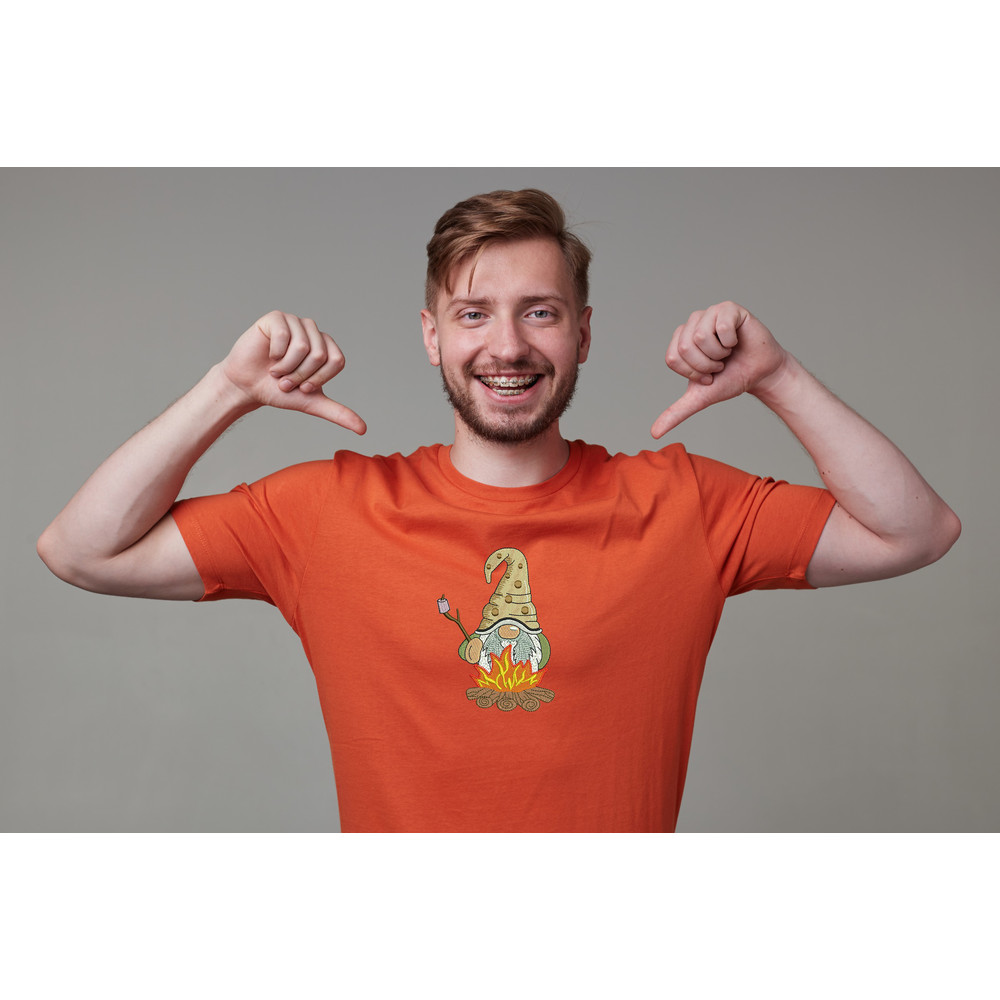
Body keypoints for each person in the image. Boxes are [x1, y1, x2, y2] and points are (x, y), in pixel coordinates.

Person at [36, 188, 961, 832]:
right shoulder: (329, 510)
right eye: (474, 314)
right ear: (432, 336)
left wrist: (780, 378)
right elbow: (81, 550)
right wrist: (227, 391)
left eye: (541, 313)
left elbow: (916, 530)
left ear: (585, 333)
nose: (507, 346)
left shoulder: (683, 504)